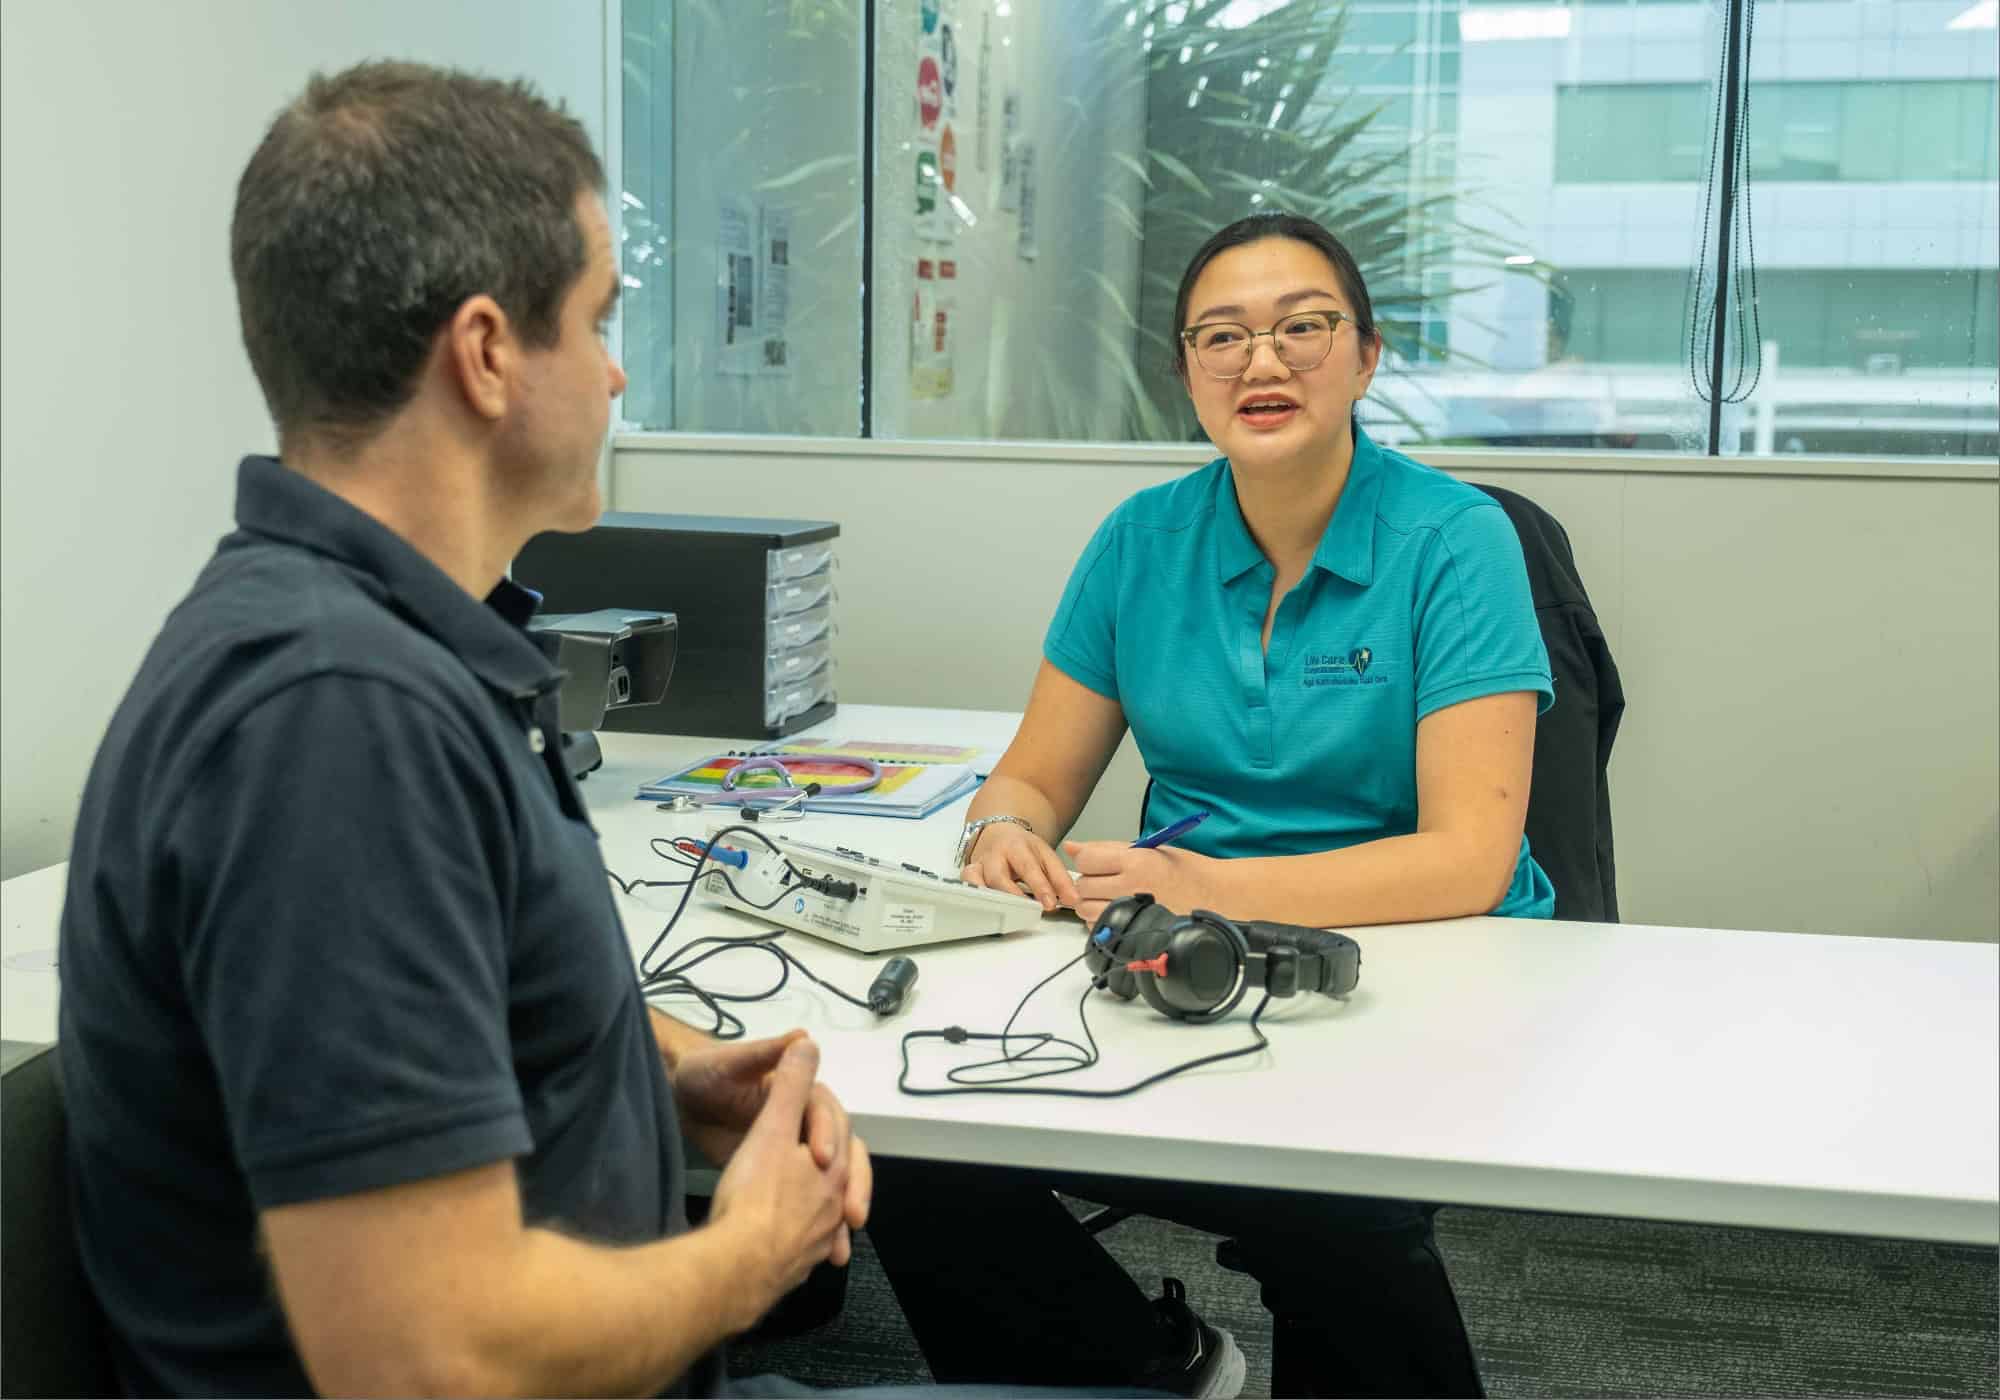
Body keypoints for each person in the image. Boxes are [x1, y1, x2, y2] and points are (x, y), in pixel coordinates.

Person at [56, 60, 905, 1400]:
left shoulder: (395, 648)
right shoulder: (336, 720)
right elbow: (421, 1360)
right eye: (599, 318)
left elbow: (457, 1011)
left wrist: (658, 1068)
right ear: (490, 353)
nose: (620, 373)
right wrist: (755, 1250)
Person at [865, 213, 1554, 1398]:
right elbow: (1032, 773)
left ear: (1366, 355)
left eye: (1302, 326)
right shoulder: (1140, 540)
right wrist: (1002, 831)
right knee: (910, 1137)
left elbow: (1468, 859)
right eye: (1221, 336)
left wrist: (1206, 884)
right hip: (1178, 955)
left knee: (1339, 1211)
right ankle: (1143, 1369)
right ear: (1185, 370)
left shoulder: (1455, 541)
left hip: (1405, 964)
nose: (1262, 361)